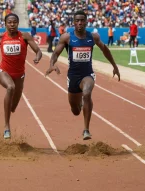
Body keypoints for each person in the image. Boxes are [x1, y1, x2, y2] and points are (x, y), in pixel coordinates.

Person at [45, 10, 120, 140]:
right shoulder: (67, 37)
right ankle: (78, 105)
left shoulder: (93, 37)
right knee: (75, 111)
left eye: (82, 20)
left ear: (86, 22)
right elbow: (56, 53)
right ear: (74, 23)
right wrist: (52, 64)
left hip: (87, 74)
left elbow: (105, 50)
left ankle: (86, 130)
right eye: (77, 21)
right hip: (73, 76)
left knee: (87, 93)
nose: (80, 23)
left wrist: (114, 66)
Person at [0, 13, 42, 139]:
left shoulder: (24, 36)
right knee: (10, 87)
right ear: (5, 24)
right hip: (4, 71)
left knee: (13, 107)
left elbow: (38, 51)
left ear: (18, 24)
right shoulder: (0, 36)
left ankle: (9, 111)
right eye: (9, 22)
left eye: (14, 22)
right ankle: (6, 126)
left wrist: (37, 57)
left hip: (19, 75)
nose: (12, 25)